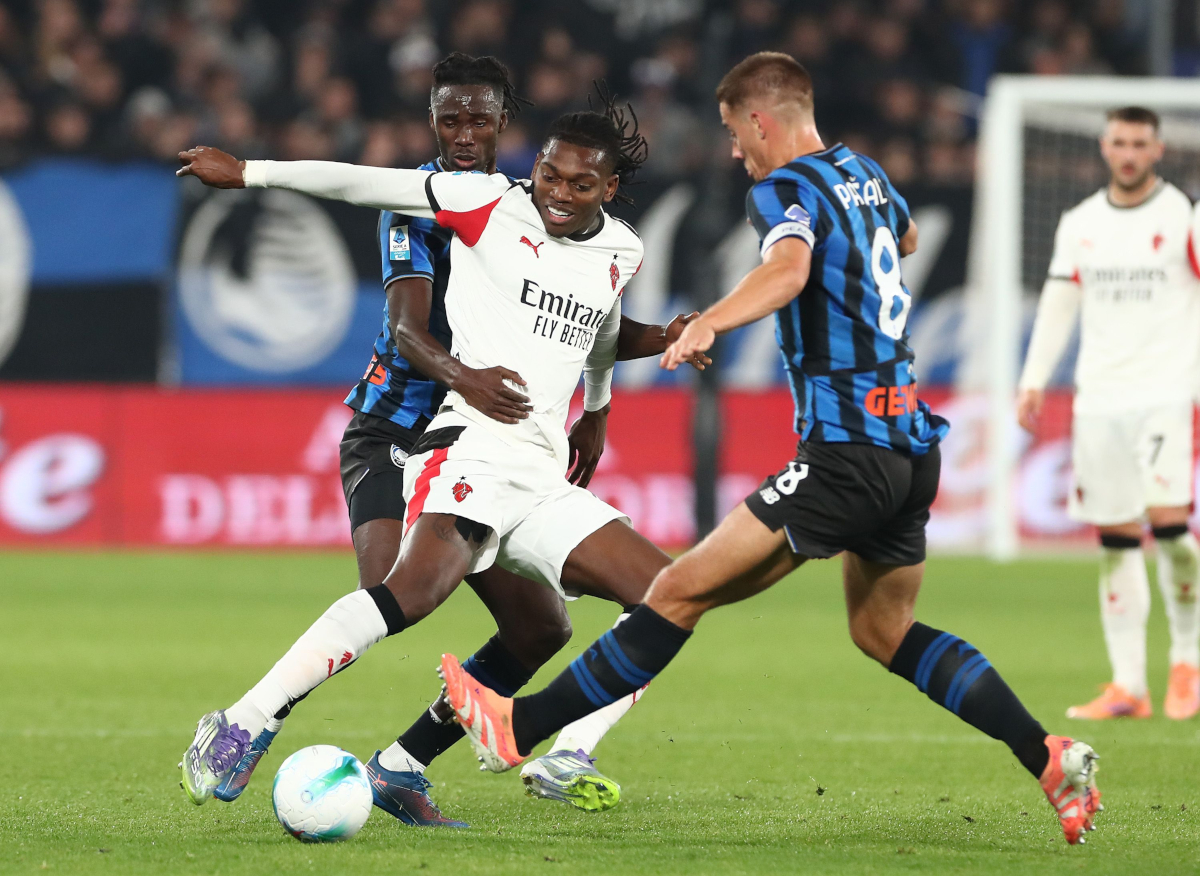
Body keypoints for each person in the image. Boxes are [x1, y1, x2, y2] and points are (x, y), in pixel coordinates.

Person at [439, 52, 1103, 847]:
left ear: (760, 119)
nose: (732, 151)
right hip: (907, 446)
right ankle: (1049, 756)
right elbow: (908, 232)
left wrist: (713, 319)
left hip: (844, 451)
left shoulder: (781, 188)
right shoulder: (861, 171)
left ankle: (519, 727)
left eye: (731, 132)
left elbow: (788, 270)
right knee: (884, 633)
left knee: (676, 590)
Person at [206, 54, 708, 827]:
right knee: (406, 593)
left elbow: (599, 324)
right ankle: (245, 718)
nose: (558, 194)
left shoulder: (622, 249)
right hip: (445, 437)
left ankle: (523, 754)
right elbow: (361, 184)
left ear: (607, 189)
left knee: (663, 597)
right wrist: (251, 174)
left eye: (580, 185)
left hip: (538, 473)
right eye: (550, 177)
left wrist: (599, 407)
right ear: (532, 164)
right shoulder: (479, 202)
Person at [1017, 106, 1200, 722]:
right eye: (1118, 142)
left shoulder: (1183, 217)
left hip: (1167, 393)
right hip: (1099, 399)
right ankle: (1128, 685)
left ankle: (1187, 661)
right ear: (1104, 146)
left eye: (1139, 143)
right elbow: (1059, 302)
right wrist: (1034, 379)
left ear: (1157, 149)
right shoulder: (1080, 223)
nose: (1127, 152)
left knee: (1171, 528)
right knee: (1116, 540)